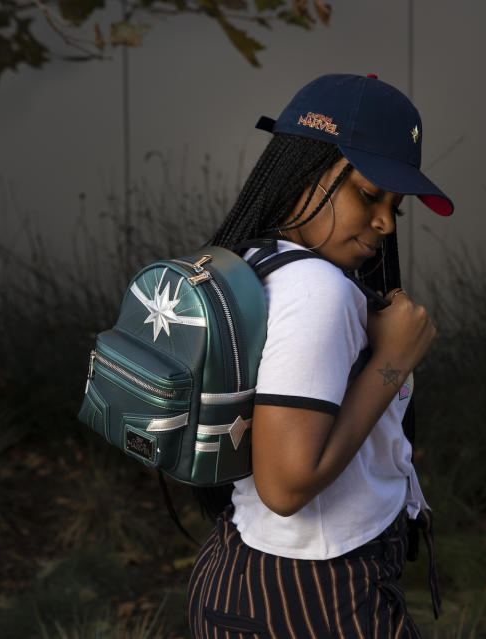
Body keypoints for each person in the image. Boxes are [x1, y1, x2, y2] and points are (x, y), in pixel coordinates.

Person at [186, 73, 454, 639]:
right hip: (312, 595)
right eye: (367, 193)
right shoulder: (317, 290)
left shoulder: (255, 260)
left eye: (395, 207)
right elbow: (285, 486)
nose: (384, 222)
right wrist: (394, 363)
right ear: (304, 170)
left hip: (251, 573)